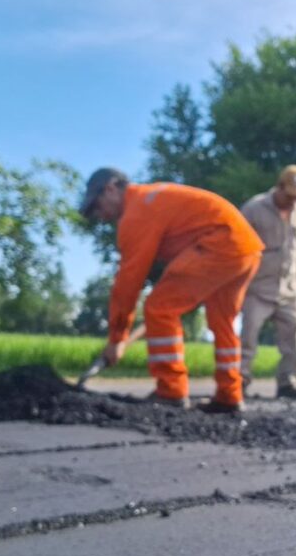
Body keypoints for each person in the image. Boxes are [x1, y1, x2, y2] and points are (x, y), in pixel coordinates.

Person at [80, 168, 264, 414]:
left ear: (111, 188)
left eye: (98, 205)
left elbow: (128, 283)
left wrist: (116, 338)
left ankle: (170, 391)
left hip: (220, 242)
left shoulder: (136, 213)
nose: (100, 215)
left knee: (159, 307)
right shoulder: (152, 198)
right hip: (245, 247)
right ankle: (230, 395)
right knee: (223, 321)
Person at [239, 165, 296, 399]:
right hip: (258, 287)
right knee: (248, 337)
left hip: (289, 288)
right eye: (290, 196)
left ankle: (287, 382)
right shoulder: (254, 208)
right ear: (279, 187)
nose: (293, 202)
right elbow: (236, 243)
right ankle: (239, 381)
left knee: (292, 339)